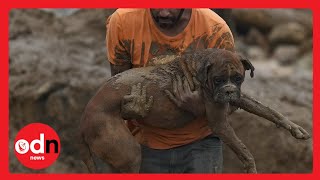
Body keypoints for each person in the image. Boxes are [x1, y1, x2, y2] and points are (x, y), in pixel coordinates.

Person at [106, 8, 235, 173]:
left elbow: (231, 100)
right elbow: (116, 88)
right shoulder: (123, 22)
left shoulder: (214, 30)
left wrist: (201, 107)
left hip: (201, 143)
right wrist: (128, 108)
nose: (164, 13)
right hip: (143, 142)